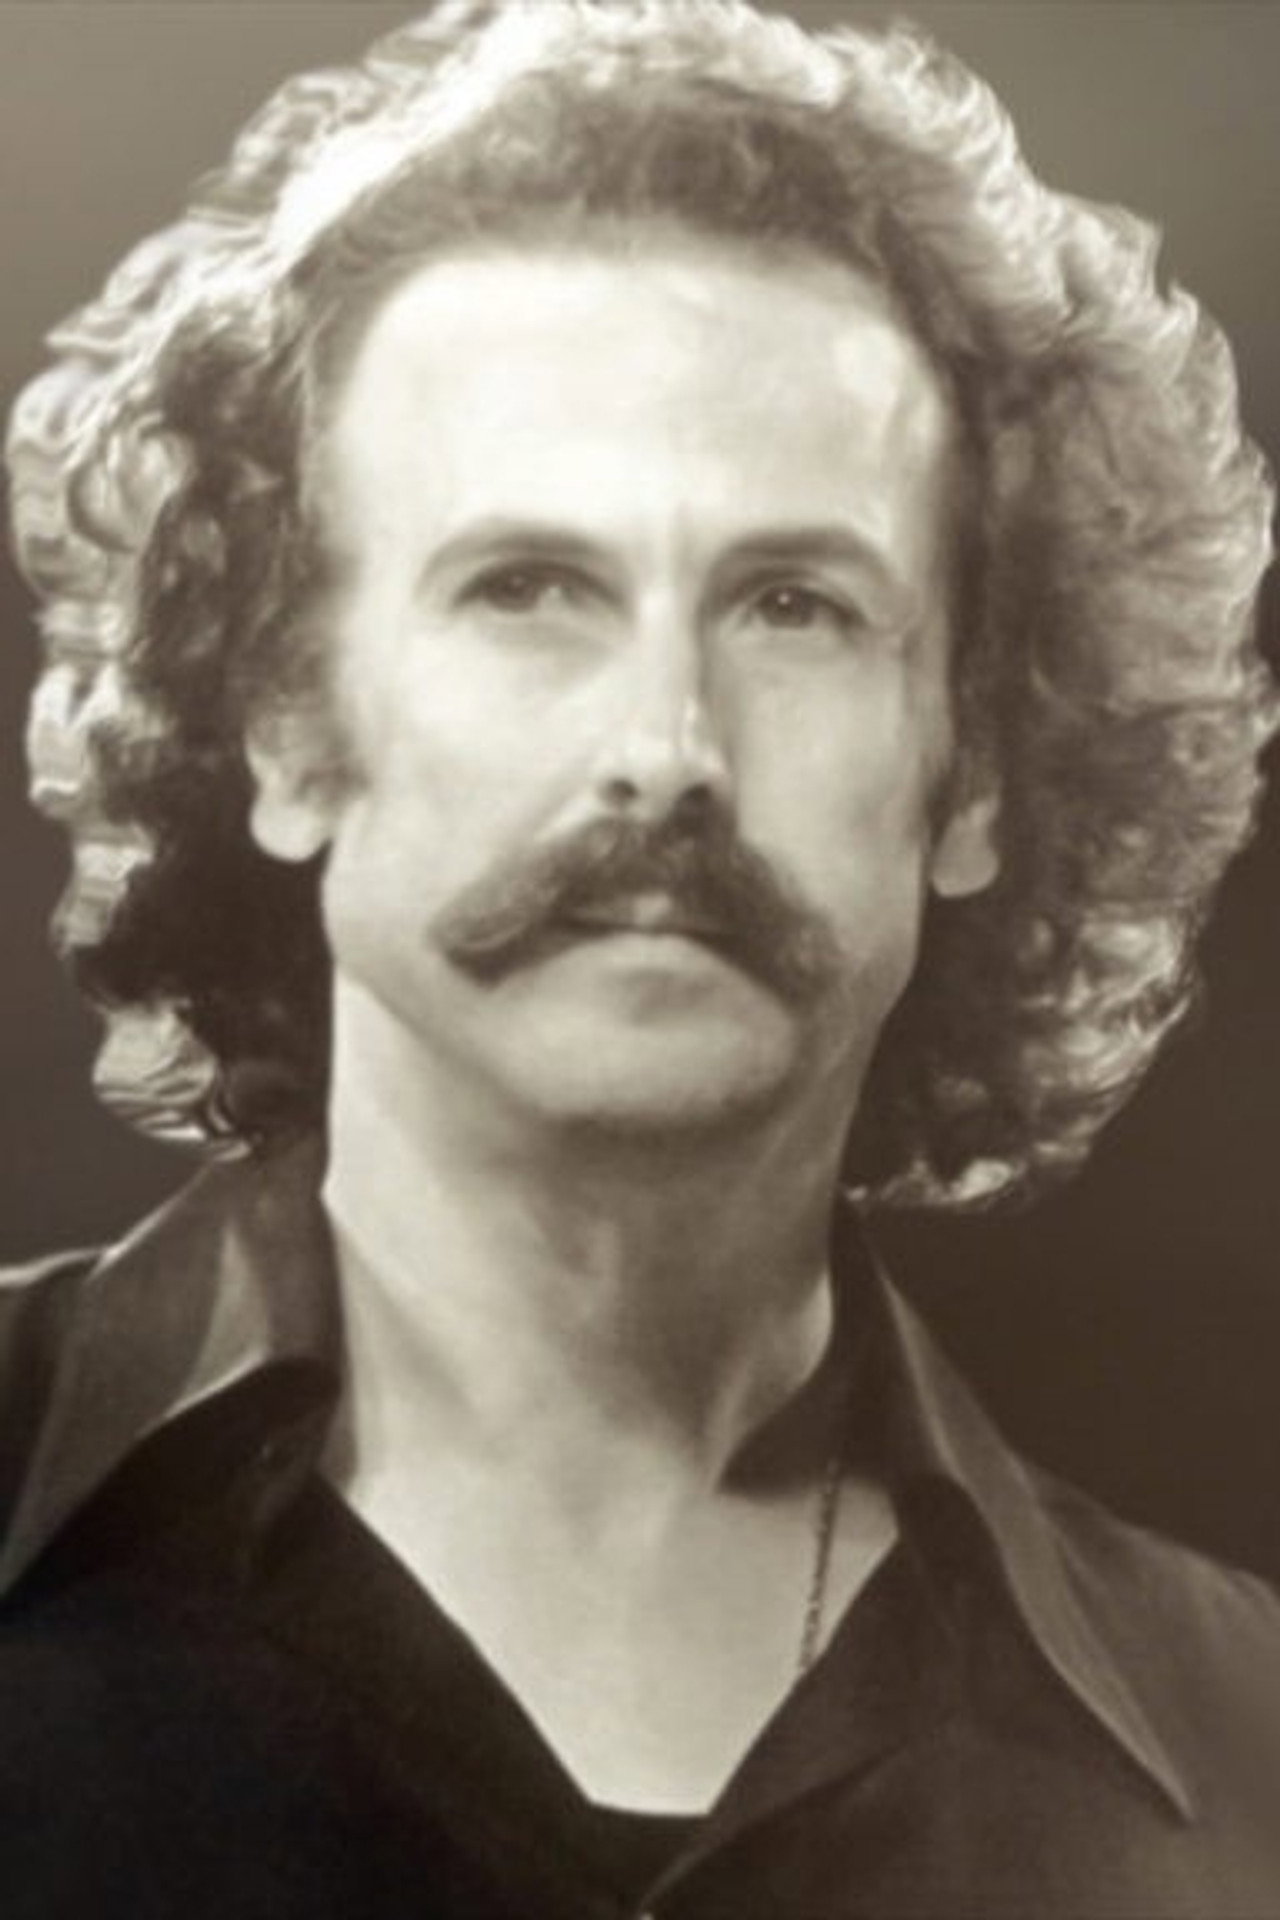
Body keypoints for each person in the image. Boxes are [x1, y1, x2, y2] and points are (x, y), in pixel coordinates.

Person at [2, 1, 1279, 1913]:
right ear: (286, 729)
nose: (668, 748)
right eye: (529, 588)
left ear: (973, 779)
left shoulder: (1247, 1749)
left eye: (795, 605)